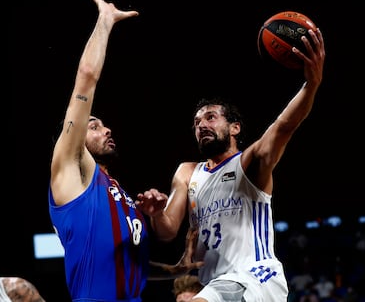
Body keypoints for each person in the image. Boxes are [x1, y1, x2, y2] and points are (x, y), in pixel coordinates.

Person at [136, 27, 325, 301]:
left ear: (234, 128)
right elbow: (167, 231)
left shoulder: (248, 164)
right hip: (214, 282)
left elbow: (283, 126)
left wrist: (311, 85)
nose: (201, 125)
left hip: (255, 277)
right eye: (197, 123)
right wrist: (155, 214)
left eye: (211, 118)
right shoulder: (188, 172)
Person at [47, 0, 202, 301]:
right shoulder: (70, 168)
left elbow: (131, 261)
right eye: (94, 125)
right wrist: (104, 22)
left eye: (103, 124)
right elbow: (86, 79)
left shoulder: (116, 191)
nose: (106, 129)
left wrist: (175, 270)